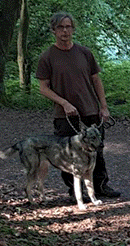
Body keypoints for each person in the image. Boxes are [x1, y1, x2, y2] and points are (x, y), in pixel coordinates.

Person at [35, 11, 119, 199]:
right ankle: (75, 191)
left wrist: (103, 107)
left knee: (96, 150)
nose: (65, 31)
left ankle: (100, 186)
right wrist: (63, 103)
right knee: (67, 153)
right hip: (64, 115)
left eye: (68, 27)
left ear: (73, 29)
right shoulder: (47, 56)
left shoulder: (84, 53)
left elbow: (96, 80)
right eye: (60, 27)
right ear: (54, 30)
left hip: (90, 110)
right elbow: (43, 88)